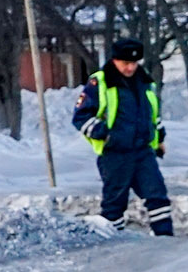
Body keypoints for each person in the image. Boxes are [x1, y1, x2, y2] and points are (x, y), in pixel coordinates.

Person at [72, 37, 171, 236]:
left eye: (134, 63)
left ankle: (166, 241)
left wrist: (159, 138)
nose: (130, 68)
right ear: (115, 60)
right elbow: (81, 117)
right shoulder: (100, 82)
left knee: (157, 197)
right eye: (125, 63)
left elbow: (152, 114)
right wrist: (106, 135)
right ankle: (113, 247)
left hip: (143, 152)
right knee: (114, 205)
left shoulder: (144, 81)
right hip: (115, 154)